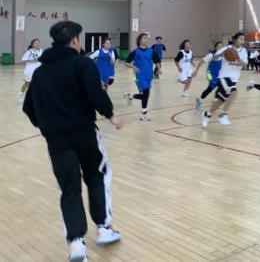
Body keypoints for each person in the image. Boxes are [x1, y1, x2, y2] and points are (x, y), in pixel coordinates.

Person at [22, 21, 123, 262]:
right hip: (85, 133)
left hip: (56, 140)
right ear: (75, 40)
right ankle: (103, 228)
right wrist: (110, 114)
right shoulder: (82, 63)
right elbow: (95, 92)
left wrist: (46, 127)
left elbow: (28, 107)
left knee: (68, 188)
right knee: (97, 176)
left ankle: (76, 244)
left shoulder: (40, 72)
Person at [201, 32, 249, 127]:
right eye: (240, 39)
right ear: (234, 39)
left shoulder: (243, 51)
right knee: (234, 92)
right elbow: (214, 58)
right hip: (224, 77)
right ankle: (223, 115)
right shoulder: (226, 48)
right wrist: (221, 54)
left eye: (243, 39)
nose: (242, 41)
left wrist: (238, 59)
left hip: (234, 79)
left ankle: (207, 114)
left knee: (221, 100)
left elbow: (245, 65)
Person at [124, 33, 160, 121]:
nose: (146, 40)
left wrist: (158, 69)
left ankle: (131, 96)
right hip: (140, 75)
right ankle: (144, 114)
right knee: (146, 92)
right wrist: (134, 67)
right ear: (139, 40)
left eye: (147, 38)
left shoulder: (151, 51)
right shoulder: (135, 51)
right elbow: (126, 62)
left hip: (149, 75)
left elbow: (157, 62)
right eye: (144, 38)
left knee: (145, 95)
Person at [193, 41, 224, 110]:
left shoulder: (223, 56)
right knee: (213, 86)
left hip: (219, 75)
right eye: (218, 46)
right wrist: (196, 71)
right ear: (215, 47)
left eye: (221, 46)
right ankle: (201, 101)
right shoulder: (211, 55)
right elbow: (201, 62)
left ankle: (213, 102)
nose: (220, 47)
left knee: (219, 88)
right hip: (210, 74)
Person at [18, 38, 42, 104]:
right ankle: (21, 95)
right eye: (35, 43)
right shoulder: (29, 52)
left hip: (38, 70)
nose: (37, 44)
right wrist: (32, 60)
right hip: (30, 70)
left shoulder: (41, 51)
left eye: (38, 42)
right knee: (27, 83)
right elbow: (22, 60)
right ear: (32, 44)